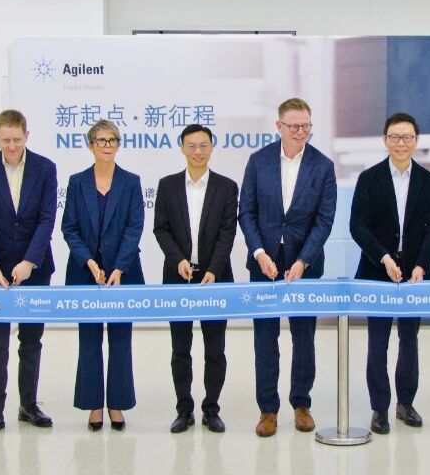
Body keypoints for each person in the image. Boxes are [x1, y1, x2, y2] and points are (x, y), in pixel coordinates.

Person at [238, 97, 337, 437]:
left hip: (304, 263)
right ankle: (268, 409)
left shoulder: (322, 166)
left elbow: (324, 220)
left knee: (304, 336)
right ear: (278, 126)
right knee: (265, 337)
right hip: (264, 263)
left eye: (305, 126)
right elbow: (246, 212)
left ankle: (301, 403)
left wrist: (302, 260)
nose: (300, 132)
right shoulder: (258, 161)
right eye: (293, 126)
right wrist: (259, 253)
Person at [348, 112, 430, 435]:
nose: (401, 143)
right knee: (377, 343)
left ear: (416, 140)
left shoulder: (429, 181)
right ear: (385, 140)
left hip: (415, 274)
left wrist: (422, 265)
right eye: (394, 137)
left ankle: (405, 403)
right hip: (377, 271)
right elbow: (357, 226)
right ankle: (379, 407)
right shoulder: (369, 179)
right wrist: (384, 257)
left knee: (409, 340)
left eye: (407, 137)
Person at [0, 109, 58, 438]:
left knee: (31, 340)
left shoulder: (45, 169)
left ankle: (29, 405)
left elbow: (46, 220)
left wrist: (29, 262)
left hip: (35, 267)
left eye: (16, 140)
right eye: (5, 140)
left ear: (26, 136)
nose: (11, 146)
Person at [152, 124, 239, 434]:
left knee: (215, 349)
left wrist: (213, 268)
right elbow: (161, 229)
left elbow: (228, 232)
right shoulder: (167, 186)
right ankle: (184, 409)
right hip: (178, 277)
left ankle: (211, 409)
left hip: (216, 277)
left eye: (203, 145)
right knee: (180, 348)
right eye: (191, 146)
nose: (198, 151)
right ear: (182, 148)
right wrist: (178, 260)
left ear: (212, 148)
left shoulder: (227, 187)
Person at [61, 119, 145, 431]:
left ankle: (117, 404)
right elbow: (69, 228)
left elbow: (134, 228)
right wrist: (89, 263)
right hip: (86, 273)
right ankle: (93, 404)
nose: (107, 146)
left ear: (118, 145)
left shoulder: (131, 182)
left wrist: (118, 267)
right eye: (101, 140)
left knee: (121, 339)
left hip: (124, 273)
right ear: (91, 145)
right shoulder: (77, 182)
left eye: (112, 140)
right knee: (89, 339)